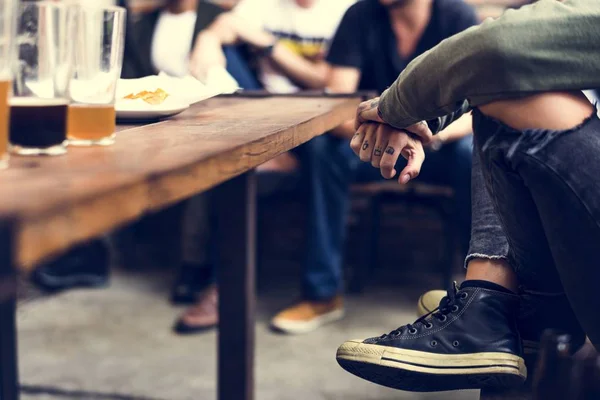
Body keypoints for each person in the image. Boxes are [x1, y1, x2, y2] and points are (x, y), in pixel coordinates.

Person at [335, 0, 599, 393]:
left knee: (506, 89)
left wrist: (395, 111)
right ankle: (491, 304)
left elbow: (496, 47)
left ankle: (490, 305)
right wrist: (419, 117)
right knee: (507, 92)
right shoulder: (362, 16)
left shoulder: (452, 12)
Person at [174, 0, 357, 335]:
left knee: (321, 146)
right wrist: (209, 38)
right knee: (227, 141)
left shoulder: (346, 10)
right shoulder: (261, 5)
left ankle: (309, 293)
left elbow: (328, 81)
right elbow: (224, 31)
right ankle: (222, 287)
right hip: (258, 118)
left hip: (320, 126)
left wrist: (267, 44)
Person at [324, 0, 477, 259]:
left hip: (440, 148)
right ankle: (322, 291)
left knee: (473, 153)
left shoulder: (457, 16)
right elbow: (337, 109)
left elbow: (478, 107)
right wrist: (392, 130)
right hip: (373, 147)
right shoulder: (360, 14)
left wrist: (430, 134)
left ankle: (479, 281)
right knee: (324, 150)